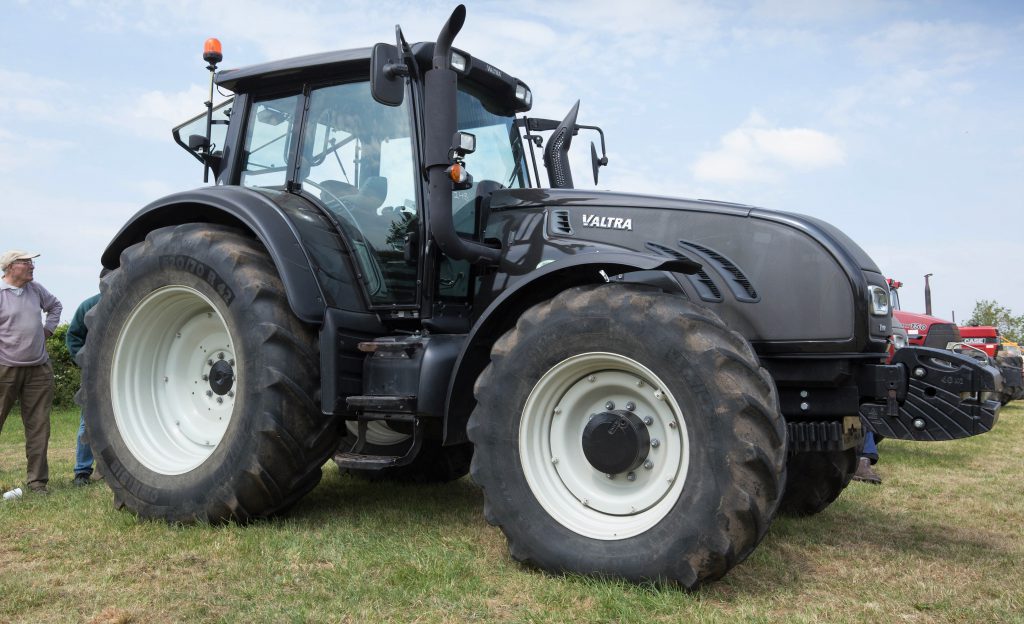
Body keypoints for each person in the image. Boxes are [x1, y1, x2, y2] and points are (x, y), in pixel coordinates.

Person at [0, 250, 63, 494]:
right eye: (26, 262)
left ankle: (37, 483)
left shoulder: (36, 289)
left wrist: (47, 331)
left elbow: (55, 306)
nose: (32, 266)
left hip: (39, 369)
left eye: (31, 262)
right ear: (10, 267)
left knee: (39, 426)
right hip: (5, 369)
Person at [66, 270, 108, 486]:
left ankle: (109, 469)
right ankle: (82, 471)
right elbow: (73, 336)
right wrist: (86, 362)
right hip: (94, 375)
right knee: (88, 421)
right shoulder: (88, 305)